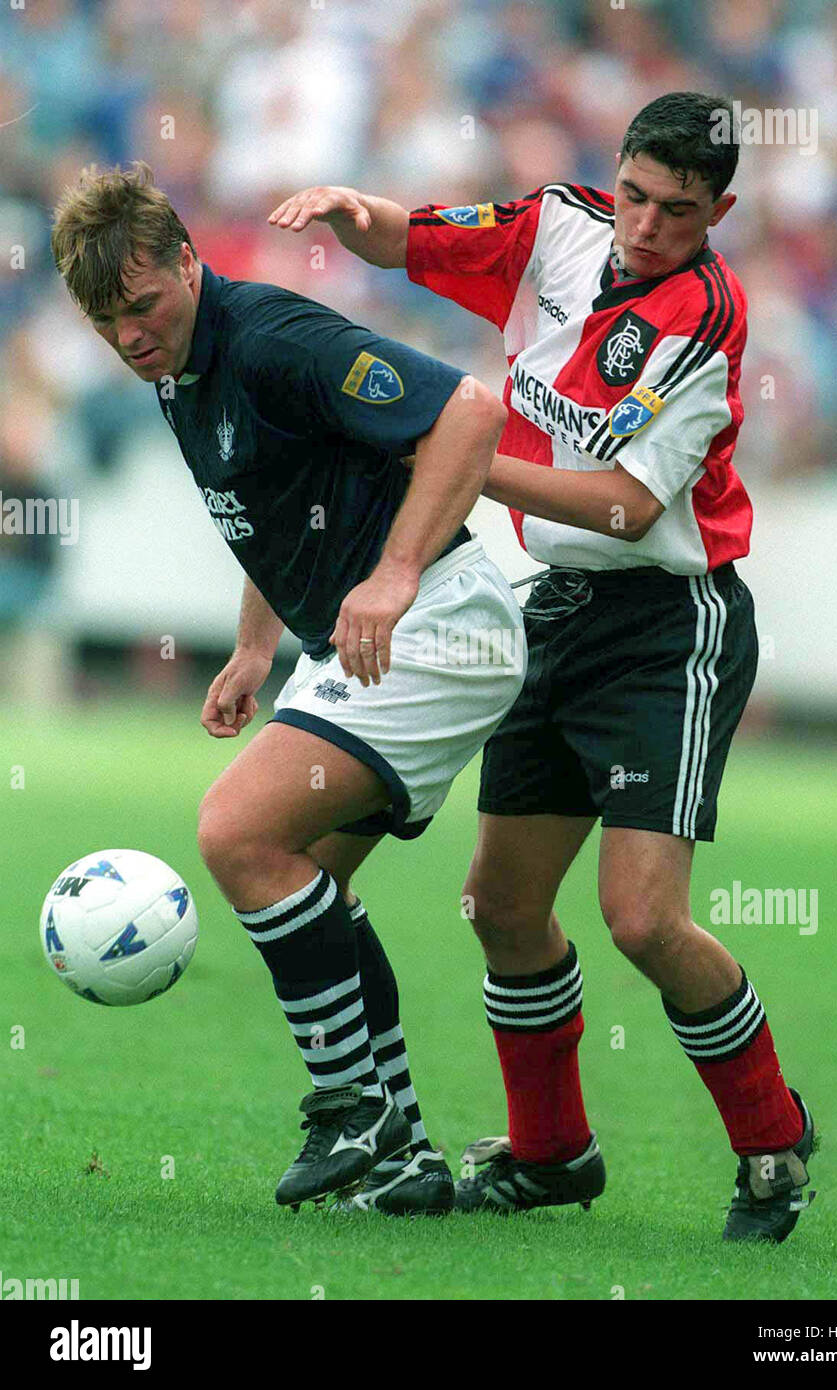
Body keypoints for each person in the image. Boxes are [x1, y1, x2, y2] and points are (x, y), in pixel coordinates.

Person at [268, 91, 817, 1242]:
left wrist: (460, 462)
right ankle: (550, 1154)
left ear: (718, 210)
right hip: (545, 611)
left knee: (639, 920)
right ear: (608, 175)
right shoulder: (555, 227)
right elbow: (413, 238)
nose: (644, 224)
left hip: (668, 625)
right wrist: (346, 211)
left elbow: (623, 508)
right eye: (632, 194)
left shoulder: (704, 315)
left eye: (676, 209)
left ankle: (772, 1145)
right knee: (501, 902)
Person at [51, 161, 526, 1216]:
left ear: (188, 259)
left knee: (235, 831)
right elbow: (270, 503)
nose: (128, 335)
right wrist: (253, 645)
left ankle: (346, 1100)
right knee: (311, 879)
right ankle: (401, 1155)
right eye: (105, 322)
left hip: (441, 625)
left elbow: (468, 410)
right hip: (368, 642)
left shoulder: (269, 338)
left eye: (140, 305)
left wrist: (394, 572)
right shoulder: (176, 366)